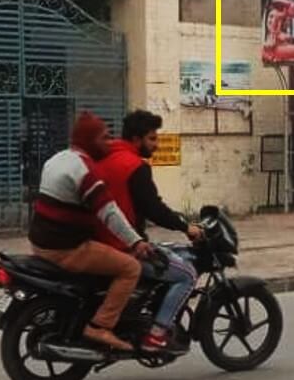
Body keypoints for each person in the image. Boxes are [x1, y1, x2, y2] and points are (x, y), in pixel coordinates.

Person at [28, 112, 152, 352]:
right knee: (130, 268)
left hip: (40, 242)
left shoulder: (57, 159)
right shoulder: (84, 170)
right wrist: (136, 242)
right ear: (89, 141)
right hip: (67, 248)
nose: (109, 142)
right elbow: (109, 212)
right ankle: (101, 326)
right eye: (104, 138)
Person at [95, 110, 204, 353]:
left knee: (170, 253)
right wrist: (186, 227)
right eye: (152, 139)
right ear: (136, 139)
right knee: (186, 274)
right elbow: (153, 209)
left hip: (98, 242)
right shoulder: (135, 166)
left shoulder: (104, 157)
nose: (156, 145)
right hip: (123, 246)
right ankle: (156, 335)